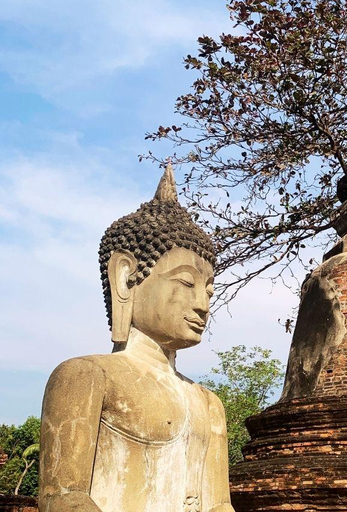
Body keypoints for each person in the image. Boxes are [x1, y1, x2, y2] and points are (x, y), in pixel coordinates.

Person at [38, 166, 235, 512]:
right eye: (187, 283)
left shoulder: (209, 405)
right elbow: (63, 498)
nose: (203, 305)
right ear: (126, 277)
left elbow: (219, 505)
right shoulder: (86, 376)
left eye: (209, 291)